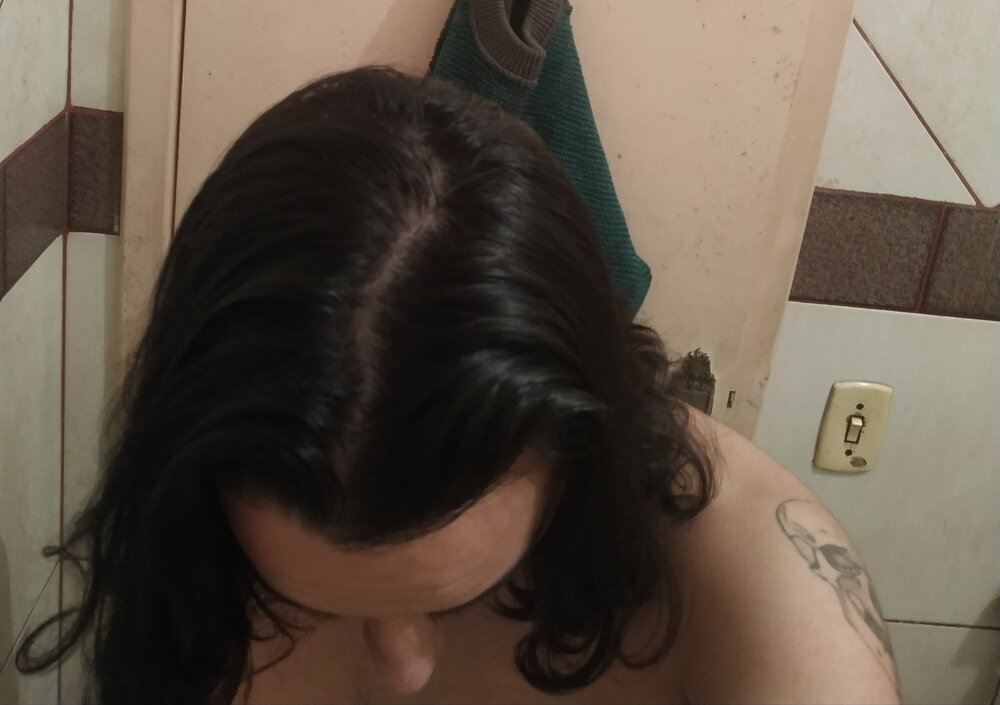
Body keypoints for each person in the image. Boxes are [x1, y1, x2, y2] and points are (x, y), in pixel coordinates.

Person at [17, 67, 900, 704]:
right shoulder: (192, 528)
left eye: (469, 594)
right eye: (300, 599)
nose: (403, 667)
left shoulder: (767, 598)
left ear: (580, 448)